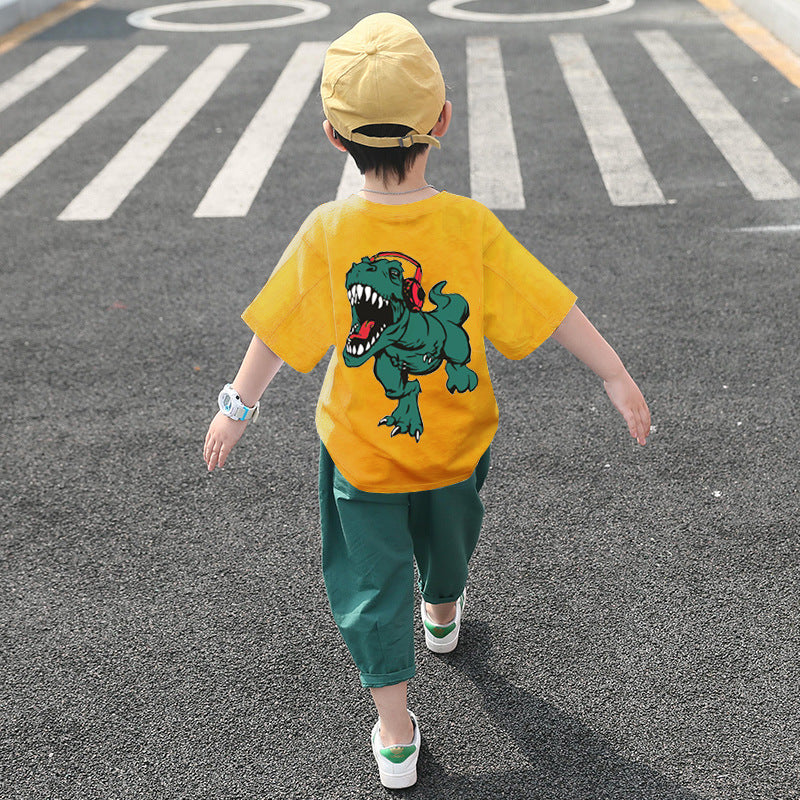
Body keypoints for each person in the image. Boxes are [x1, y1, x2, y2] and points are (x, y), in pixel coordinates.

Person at [203, 12, 650, 789]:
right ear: (442, 120)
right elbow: (548, 307)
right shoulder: (469, 224)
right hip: (455, 447)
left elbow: (278, 329)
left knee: (369, 587)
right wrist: (613, 372)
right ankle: (442, 608)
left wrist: (238, 408)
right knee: (451, 539)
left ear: (334, 136)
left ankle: (396, 731)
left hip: (361, 456)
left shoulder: (328, 229)